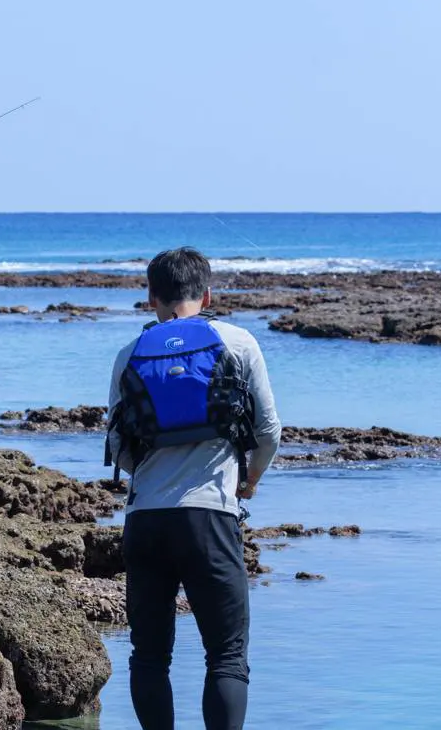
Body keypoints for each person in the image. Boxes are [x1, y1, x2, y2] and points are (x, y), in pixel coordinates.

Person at [105, 247, 281, 730]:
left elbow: (118, 445)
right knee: (225, 656)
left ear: (151, 297)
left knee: (149, 656)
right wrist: (249, 481)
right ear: (207, 294)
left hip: (145, 522)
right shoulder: (238, 342)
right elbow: (269, 432)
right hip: (211, 518)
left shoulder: (130, 354)